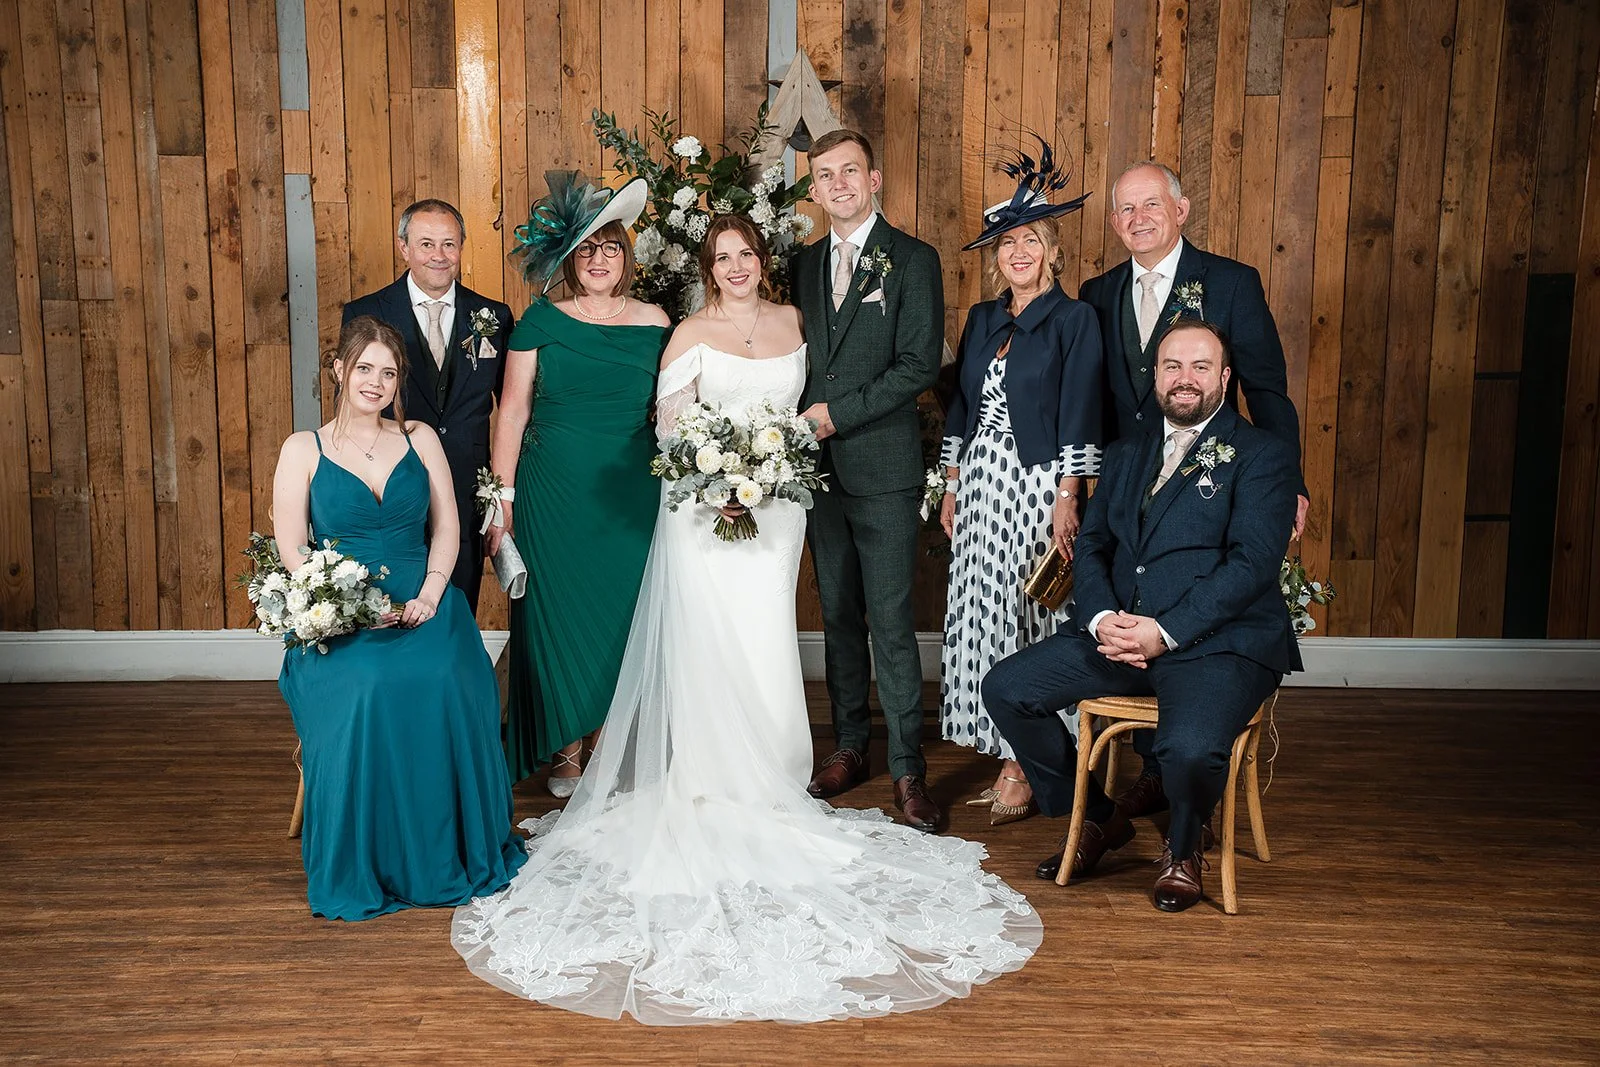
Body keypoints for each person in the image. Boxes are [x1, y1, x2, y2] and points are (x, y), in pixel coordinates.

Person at [451, 216, 1041, 1024]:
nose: (734, 266)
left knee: (765, 634)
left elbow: (816, 404)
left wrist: (769, 470)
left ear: (763, 262)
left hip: (780, 510)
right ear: (708, 268)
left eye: (746, 255)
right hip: (706, 507)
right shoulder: (686, 330)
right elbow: (669, 421)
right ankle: (705, 771)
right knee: (710, 633)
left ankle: (773, 763)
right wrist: (716, 475)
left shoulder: (796, 322)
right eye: (721, 257)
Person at [981, 319, 1300, 912]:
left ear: (1225, 377)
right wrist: (1102, 616)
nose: (1185, 379)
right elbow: (1094, 545)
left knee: (1189, 748)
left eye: (1201, 367)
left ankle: (1185, 847)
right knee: (1007, 688)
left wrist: (1165, 631)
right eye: (1172, 366)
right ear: (1156, 377)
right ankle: (1098, 819)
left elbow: (1252, 564)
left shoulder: (1263, 455)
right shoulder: (1126, 453)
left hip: (1216, 643)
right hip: (1121, 634)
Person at [272, 316, 526, 921]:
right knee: (367, 686)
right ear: (339, 370)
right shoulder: (303, 448)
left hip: (426, 597)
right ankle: (375, 855)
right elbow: (293, 550)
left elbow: (448, 528)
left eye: (388, 373)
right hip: (342, 615)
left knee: (450, 678)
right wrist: (351, 607)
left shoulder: (419, 437)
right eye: (364, 368)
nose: (375, 382)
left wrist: (432, 595)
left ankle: (450, 845)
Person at [1078, 161, 1308, 818]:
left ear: (1180, 211)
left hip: (1211, 490)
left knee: (1189, 611)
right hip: (1131, 491)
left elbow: (1266, 390)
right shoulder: (1098, 292)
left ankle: (1175, 775)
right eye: (1127, 208)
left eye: (1152, 204)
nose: (1139, 218)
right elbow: (1095, 401)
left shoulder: (1231, 283)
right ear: (1114, 221)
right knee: (1132, 606)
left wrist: (1290, 482)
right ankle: (1156, 773)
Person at [938, 137, 1104, 825]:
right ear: (996, 257)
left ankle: (1030, 765)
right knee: (984, 612)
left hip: (1038, 486)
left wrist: (1070, 496)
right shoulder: (983, 319)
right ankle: (1005, 752)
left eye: (1030, 240)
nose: (1018, 252)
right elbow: (960, 406)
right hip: (981, 484)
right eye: (1007, 243)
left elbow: (1081, 409)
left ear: (1051, 250)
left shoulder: (1073, 319)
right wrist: (950, 482)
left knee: (1034, 613)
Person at [485, 173, 670, 794]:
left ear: (626, 257)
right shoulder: (540, 322)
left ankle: (605, 744)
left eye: (610, 247)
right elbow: (512, 412)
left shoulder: (657, 322)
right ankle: (565, 750)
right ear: (569, 260)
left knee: (620, 617)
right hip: (552, 493)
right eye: (586, 249)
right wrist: (502, 499)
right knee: (556, 617)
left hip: (629, 495)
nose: (598, 259)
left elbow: (674, 408)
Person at [789, 129, 946, 832]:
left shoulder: (912, 259)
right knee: (838, 616)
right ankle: (850, 745)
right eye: (825, 176)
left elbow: (918, 365)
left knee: (890, 620)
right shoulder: (802, 264)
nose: (839, 184)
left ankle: (909, 767)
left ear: (874, 179)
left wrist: (836, 415)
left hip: (883, 468)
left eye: (850, 171)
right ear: (815, 190)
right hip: (818, 476)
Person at [342, 199, 513, 615]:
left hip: (466, 487)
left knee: (457, 606)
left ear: (461, 247)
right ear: (403, 247)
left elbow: (511, 412)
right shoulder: (365, 312)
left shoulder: (494, 316)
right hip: (391, 486)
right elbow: (354, 406)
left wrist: (502, 495)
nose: (439, 255)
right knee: (390, 607)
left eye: (449, 244)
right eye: (426, 244)